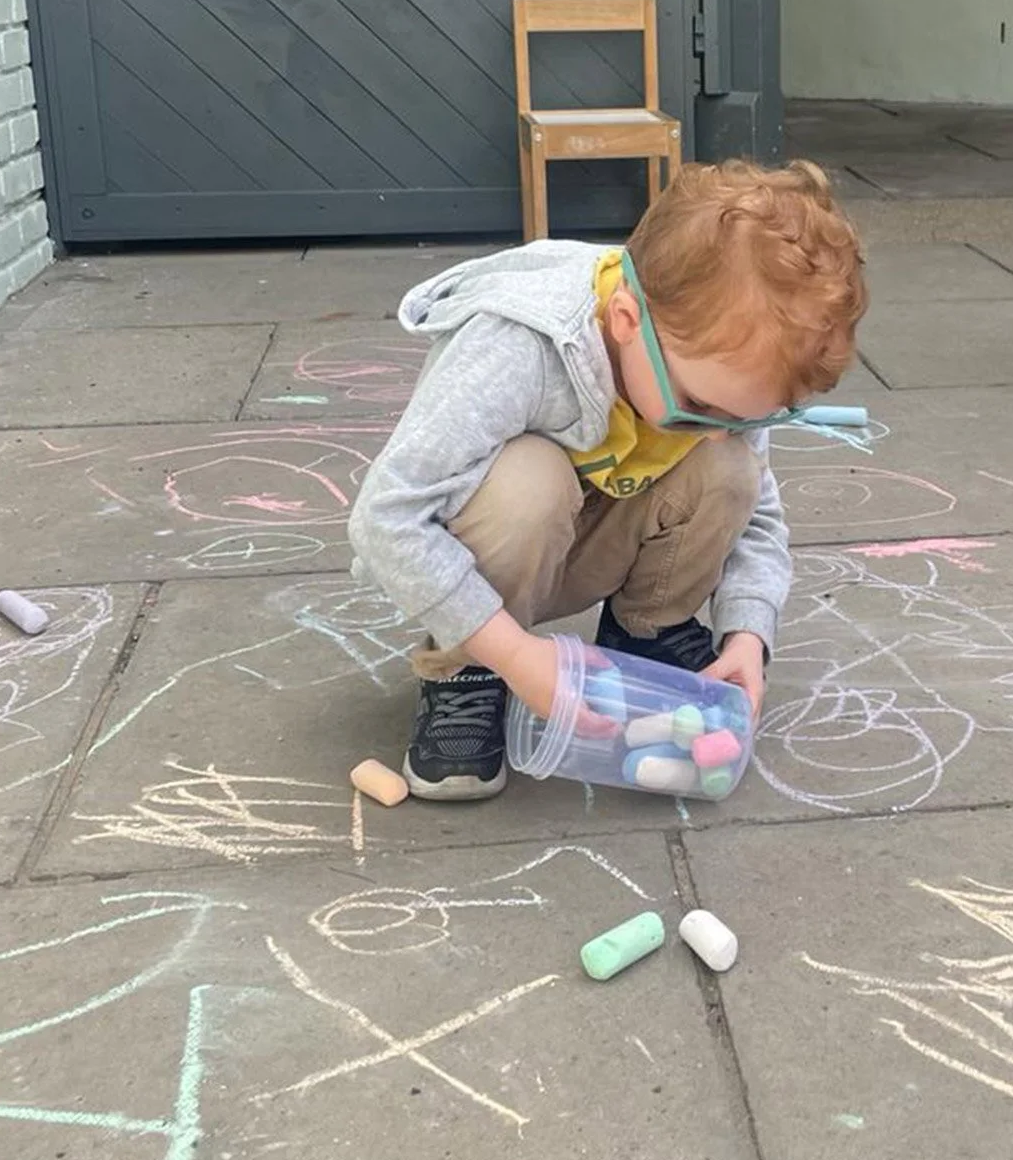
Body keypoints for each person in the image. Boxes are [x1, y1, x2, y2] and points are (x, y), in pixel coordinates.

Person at [347, 160, 868, 800]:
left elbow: (757, 513)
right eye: (699, 408)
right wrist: (511, 655)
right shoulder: (518, 344)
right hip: (498, 556)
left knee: (730, 468)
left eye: (745, 416)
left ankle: (649, 629)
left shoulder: (716, 365)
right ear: (626, 322)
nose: (714, 428)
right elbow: (384, 518)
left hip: (598, 537)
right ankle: (465, 673)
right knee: (528, 484)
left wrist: (748, 634)